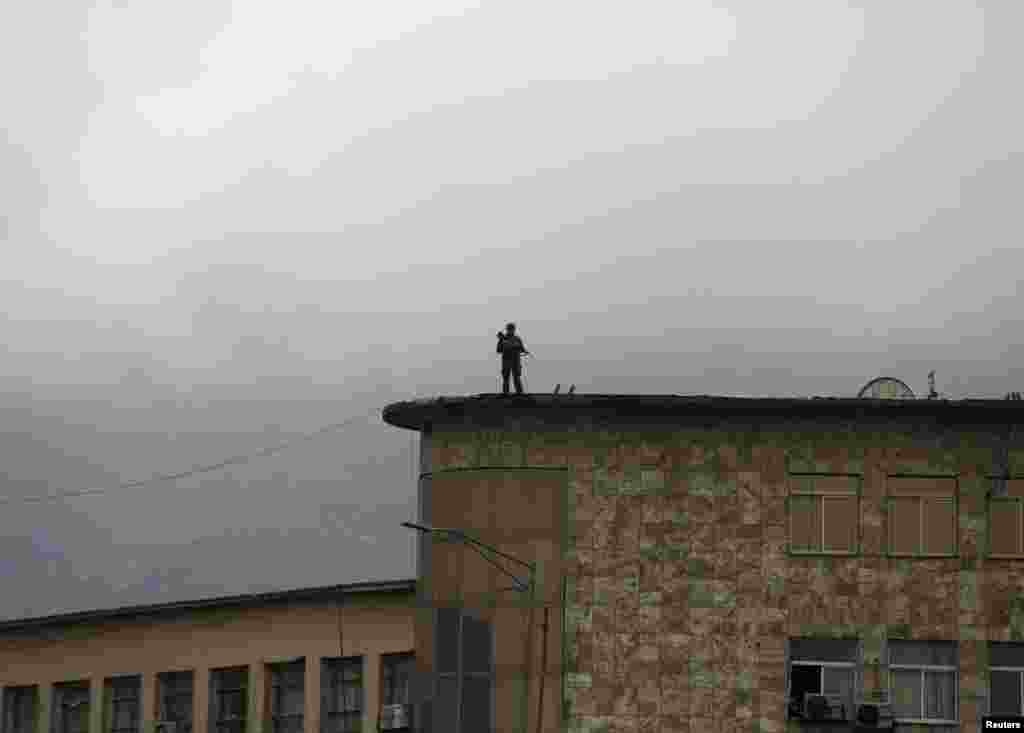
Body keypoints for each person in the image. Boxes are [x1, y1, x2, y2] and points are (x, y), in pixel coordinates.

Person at [496, 323, 529, 395]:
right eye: (509, 329)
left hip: (516, 361)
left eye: (512, 329)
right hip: (506, 361)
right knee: (506, 378)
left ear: (514, 330)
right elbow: (498, 350)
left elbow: (522, 348)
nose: (510, 331)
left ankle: (519, 393)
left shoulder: (517, 339)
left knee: (516, 377)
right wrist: (506, 345)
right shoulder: (502, 339)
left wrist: (524, 351)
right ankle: (505, 393)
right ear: (507, 330)